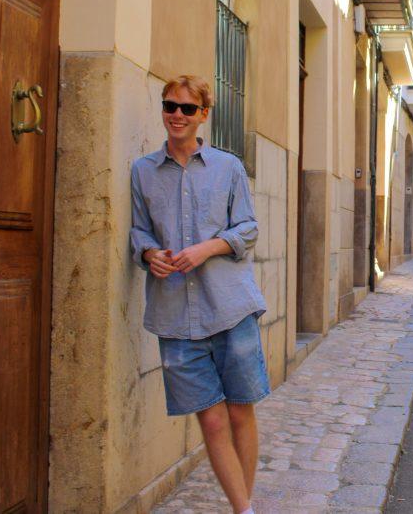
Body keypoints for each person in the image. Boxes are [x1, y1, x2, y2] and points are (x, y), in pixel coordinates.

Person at [130, 75, 268, 514]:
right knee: (211, 418)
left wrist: (207, 248)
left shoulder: (228, 168)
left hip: (229, 306)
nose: (176, 115)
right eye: (170, 105)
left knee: (241, 411)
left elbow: (248, 228)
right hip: (175, 313)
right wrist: (149, 253)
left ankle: (241, 510)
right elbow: (138, 230)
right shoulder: (142, 171)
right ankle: (244, 510)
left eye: (187, 108)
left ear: (203, 115)